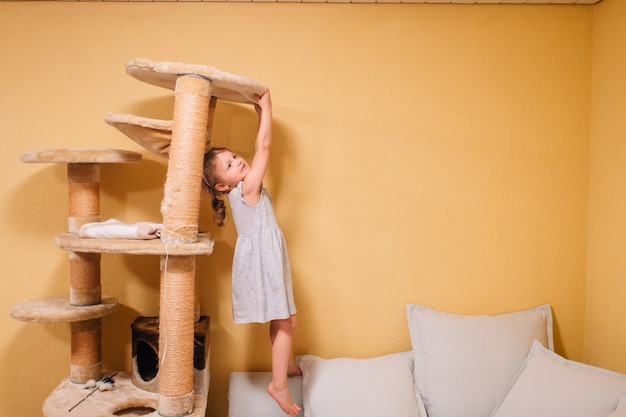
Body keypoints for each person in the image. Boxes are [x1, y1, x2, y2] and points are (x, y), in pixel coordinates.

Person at [202, 88, 301, 416]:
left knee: (285, 318)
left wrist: (259, 111)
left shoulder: (240, 191)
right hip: (264, 260)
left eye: (234, 155)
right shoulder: (247, 189)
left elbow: (259, 145)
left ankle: (285, 363)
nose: (238, 160)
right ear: (222, 186)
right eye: (229, 164)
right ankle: (279, 385)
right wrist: (268, 104)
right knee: (287, 321)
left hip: (265, 257)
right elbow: (265, 146)